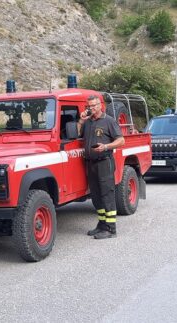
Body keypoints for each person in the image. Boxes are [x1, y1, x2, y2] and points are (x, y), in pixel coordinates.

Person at [77, 95, 125, 239]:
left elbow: (121, 140)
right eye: (88, 106)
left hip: (104, 162)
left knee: (107, 195)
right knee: (96, 196)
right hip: (91, 163)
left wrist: (106, 146)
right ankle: (102, 224)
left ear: (100, 106)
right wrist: (81, 119)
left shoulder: (108, 121)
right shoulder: (88, 122)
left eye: (93, 106)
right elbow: (78, 133)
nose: (91, 108)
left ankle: (111, 229)